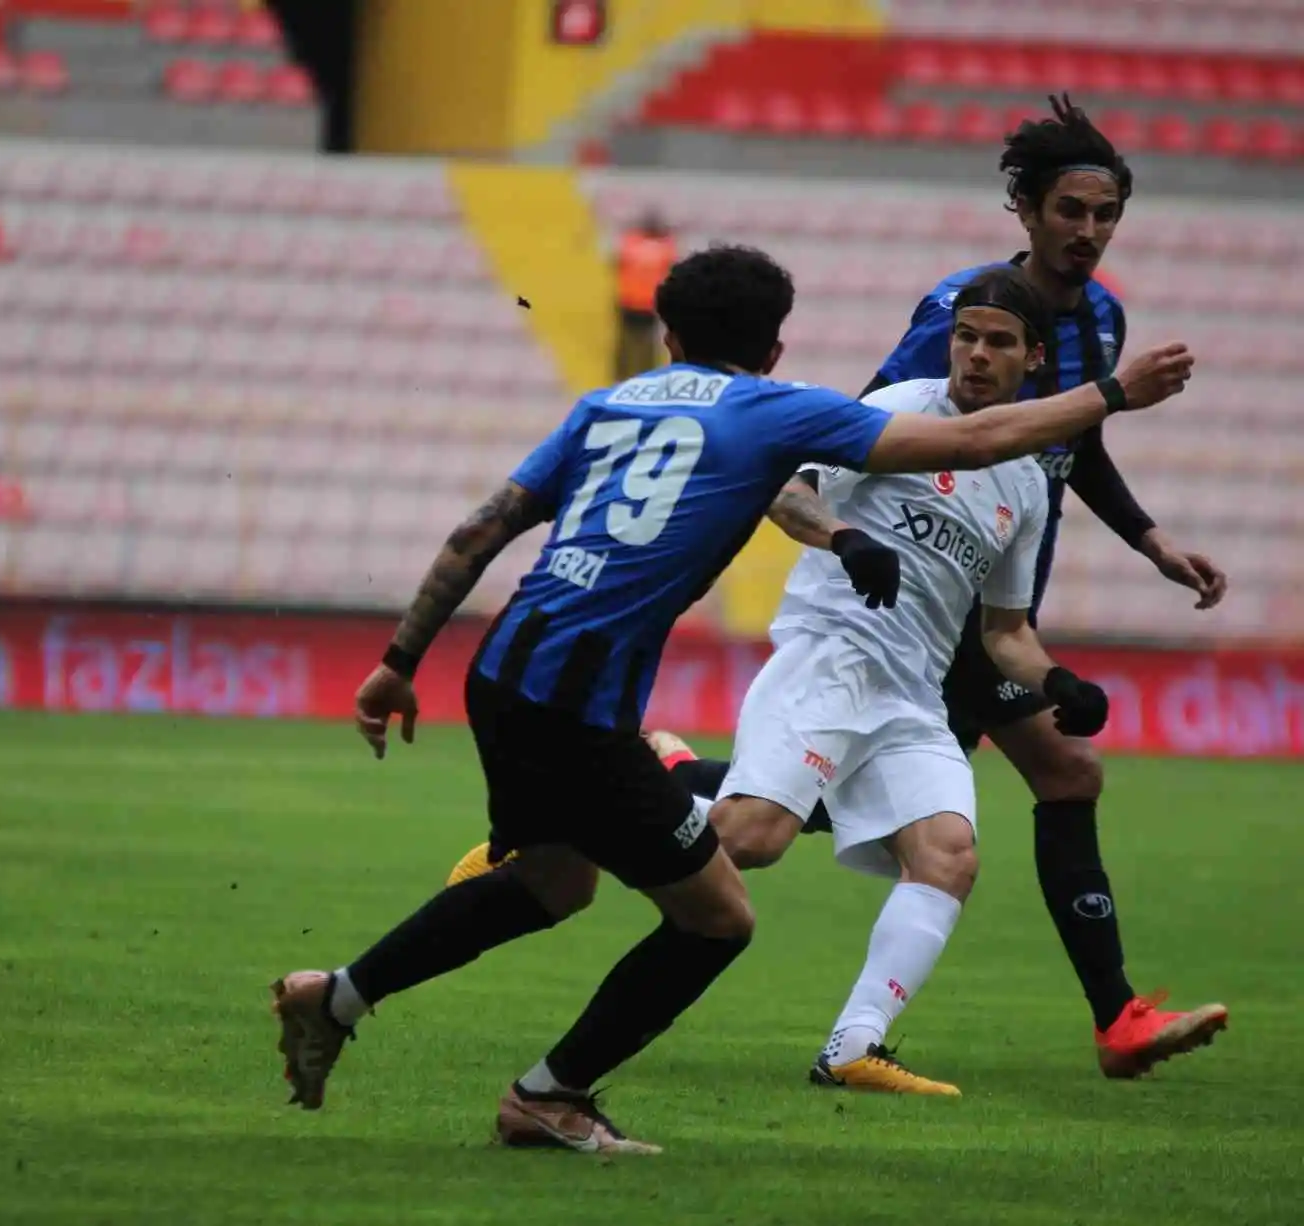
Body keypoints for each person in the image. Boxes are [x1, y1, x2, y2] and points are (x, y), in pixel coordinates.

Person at [270, 244, 1194, 1154]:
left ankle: (341, 998)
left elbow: (478, 532)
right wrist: (1115, 393)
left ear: (666, 333)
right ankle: (548, 1095)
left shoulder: (606, 404)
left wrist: (398, 662)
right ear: (775, 351)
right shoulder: (774, 410)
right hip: (585, 700)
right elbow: (969, 439)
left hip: (504, 670)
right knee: (719, 915)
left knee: (556, 883)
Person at [848, 94, 1230, 1078]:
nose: (1088, 233)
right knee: (1058, 774)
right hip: (930, 607)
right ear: (1024, 209)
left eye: (1104, 216)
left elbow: (1073, 440)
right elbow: (873, 428)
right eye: (1070, 211)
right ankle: (1116, 1018)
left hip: (995, 604)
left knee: (801, 809)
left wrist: (1150, 541)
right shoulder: (960, 311)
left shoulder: (1101, 315)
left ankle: (655, 787)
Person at [613, 210, 676, 381]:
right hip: (640, 301)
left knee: (634, 345)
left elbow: (617, 263)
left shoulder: (631, 242)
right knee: (634, 344)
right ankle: (637, 376)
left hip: (638, 301)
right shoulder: (664, 246)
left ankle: (628, 376)